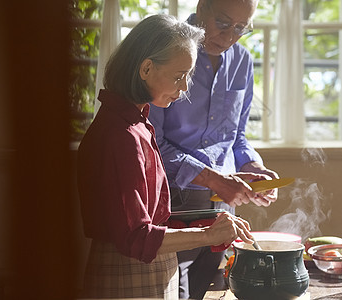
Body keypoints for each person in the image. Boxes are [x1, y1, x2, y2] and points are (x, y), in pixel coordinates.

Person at [77, 14, 256, 299]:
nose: (184, 87)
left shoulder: (135, 123)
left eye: (188, 76)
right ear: (146, 68)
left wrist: (205, 224)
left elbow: (148, 220)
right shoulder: (122, 136)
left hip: (142, 272)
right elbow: (135, 237)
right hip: (129, 276)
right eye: (178, 76)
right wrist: (207, 236)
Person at [148, 0, 280, 299]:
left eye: (240, 28)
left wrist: (252, 166)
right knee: (174, 291)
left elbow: (236, 137)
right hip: (173, 198)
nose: (229, 36)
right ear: (202, 7)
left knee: (204, 289)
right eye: (222, 22)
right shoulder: (167, 53)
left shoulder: (242, 61)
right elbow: (151, 144)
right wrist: (210, 178)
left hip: (223, 202)